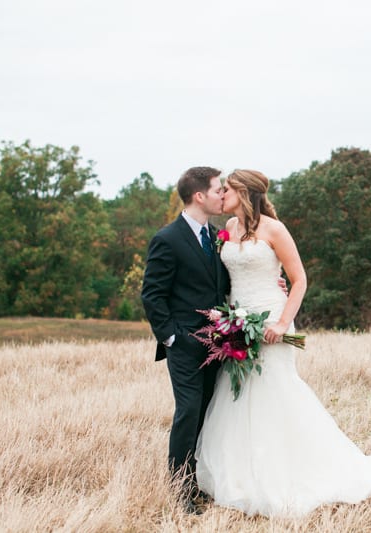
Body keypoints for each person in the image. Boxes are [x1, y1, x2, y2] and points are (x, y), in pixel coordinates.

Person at [195, 169, 371, 518]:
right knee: (239, 394)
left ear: (244, 191)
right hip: (239, 322)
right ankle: (244, 477)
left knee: (275, 391)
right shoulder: (228, 229)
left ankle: (292, 472)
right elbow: (226, 277)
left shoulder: (275, 229)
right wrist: (230, 318)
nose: (222, 194)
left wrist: (280, 323)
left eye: (227, 189)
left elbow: (299, 279)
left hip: (273, 322)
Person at [141, 166, 230, 514]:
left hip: (220, 343)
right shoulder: (168, 238)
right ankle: (180, 490)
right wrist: (172, 338)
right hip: (184, 346)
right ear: (199, 196)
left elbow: (223, 284)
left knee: (209, 412)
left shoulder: (217, 235)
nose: (222, 195)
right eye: (217, 189)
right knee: (188, 412)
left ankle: (201, 482)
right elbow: (152, 295)